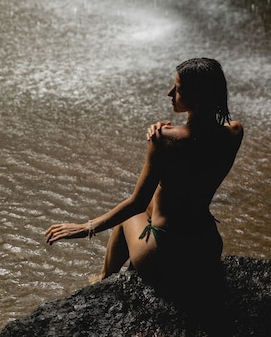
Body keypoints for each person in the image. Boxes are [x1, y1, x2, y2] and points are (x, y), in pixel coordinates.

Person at [45, 57, 243, 294]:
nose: (170, 93)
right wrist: (169, 129)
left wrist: (86, 227)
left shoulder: (165, 140)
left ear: (197, 99)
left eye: (178, 89)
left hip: (165, 256)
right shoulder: (234, 132)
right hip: (206, 249)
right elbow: (199, 147)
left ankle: (104, 279)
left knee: (130, 216)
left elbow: (137, 202)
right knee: (154, 205)